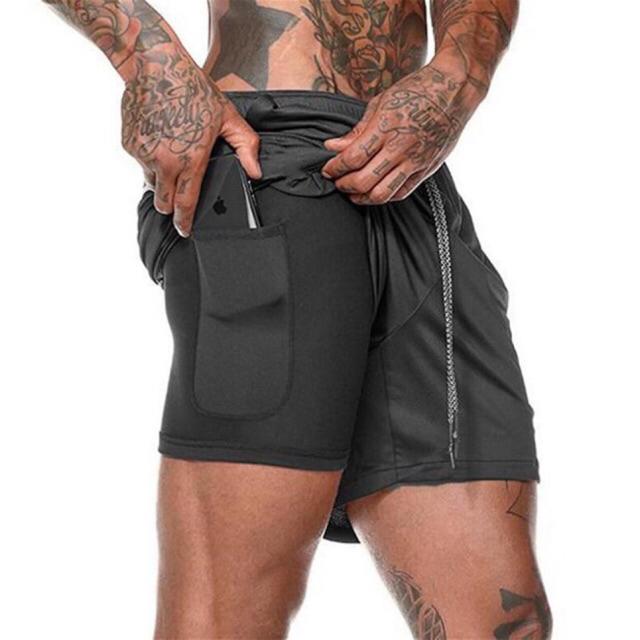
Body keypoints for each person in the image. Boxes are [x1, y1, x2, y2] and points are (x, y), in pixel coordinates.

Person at [43, 1, 551, 638]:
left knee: (507, 625)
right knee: (230, 620)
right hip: (268, 168)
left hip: (412, 182)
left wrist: (458, 74)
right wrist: (148, 58)